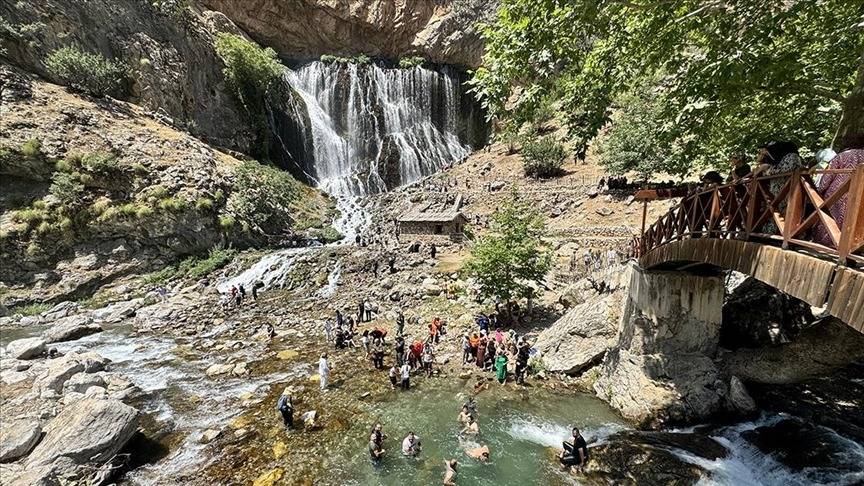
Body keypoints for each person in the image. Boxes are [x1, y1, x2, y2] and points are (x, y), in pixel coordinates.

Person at [813, 135, 864, 247]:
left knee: (832, 219)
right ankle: (854, 246)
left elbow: (826, 180)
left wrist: (818, 191)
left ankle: (831, 242)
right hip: (861, 195)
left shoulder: (842, 156)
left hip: (838, 194)